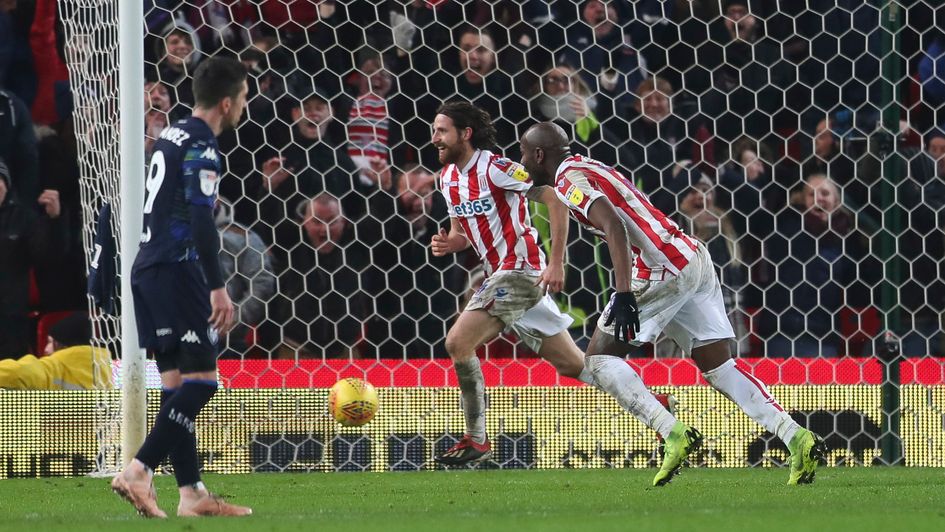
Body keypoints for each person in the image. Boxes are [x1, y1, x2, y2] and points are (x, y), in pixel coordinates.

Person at [518, 121, 826, 486]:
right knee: (720, 366)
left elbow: (613, 224)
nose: (522, 159)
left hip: (660, 268)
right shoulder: (588, 166)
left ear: (539, 154)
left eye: (524, 153)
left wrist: (623, 293)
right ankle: (797, 437)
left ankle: (672, 432)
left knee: (599, 359)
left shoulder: (569, 181)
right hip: (691, 255)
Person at [428, 102, 673, 467]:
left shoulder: (495, 168)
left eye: (442, 130)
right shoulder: (447, 179)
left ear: (465, 133)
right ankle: (654, 405)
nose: (435, 138)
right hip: (502, 279)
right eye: (434, 130)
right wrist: (451, 243)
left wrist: (555, 261)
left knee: (458, 342)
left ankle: (476, 439)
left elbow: (555, 198)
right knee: (575, 366)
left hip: (521, 273)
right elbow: (462, 233)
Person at [110, 57, 251, 518]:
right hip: (177, 270)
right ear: (228, 102)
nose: (244, 106)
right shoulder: (203, 145)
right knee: (203, 382)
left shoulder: (170, 133)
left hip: (146, 269)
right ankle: (138, 471)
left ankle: (191, 493)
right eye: (244, 98)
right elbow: (200, 221)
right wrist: (217, 287)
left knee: (175, 386)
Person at [0, 311, 112, 390]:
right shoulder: (111, 367)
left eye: (50, 342)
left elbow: (16, 372)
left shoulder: (54, 367)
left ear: (61, 344)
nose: (46, 349)